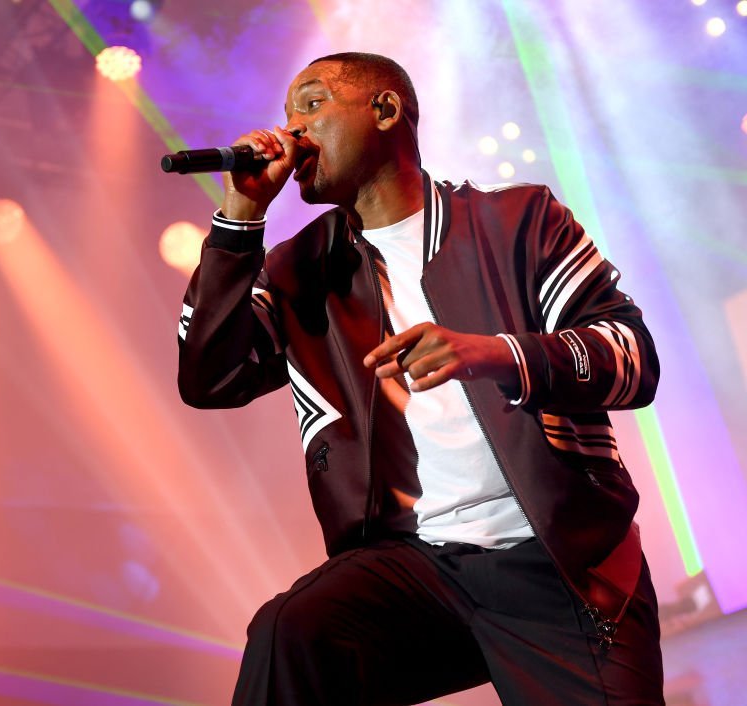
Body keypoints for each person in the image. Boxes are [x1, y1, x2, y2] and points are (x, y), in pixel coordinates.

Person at [176, 52, 663, 706]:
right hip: (418, 566)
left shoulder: (518, 221)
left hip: (558, 564)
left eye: (313, 105)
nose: (291, 131)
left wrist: (493, 354)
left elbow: (631, 356)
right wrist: (239, 219)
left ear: (384, 110)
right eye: (288, 112)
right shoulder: (301, 270)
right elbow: (209, 377)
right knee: (293, 632)